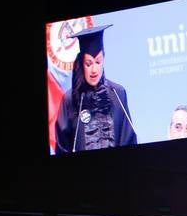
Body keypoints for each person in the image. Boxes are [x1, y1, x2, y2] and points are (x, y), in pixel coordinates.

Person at [54, 24, 138, 153]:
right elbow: (62, 147)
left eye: (98, 62)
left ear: (104, 58)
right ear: (81, 63)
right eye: (89, 63)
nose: (94, 70)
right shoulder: (70, 100)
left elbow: (129, 140)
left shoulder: (118, 93)